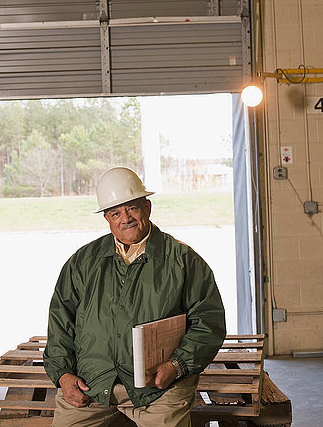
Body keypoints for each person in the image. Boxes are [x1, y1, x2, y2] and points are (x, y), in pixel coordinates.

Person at [44, 167, 226, 427]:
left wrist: (177, 366)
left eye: (132, 208)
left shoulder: (183, 260)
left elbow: (208, 322)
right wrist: (62, 375)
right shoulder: (83, 262)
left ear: (147, 207)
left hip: (159, 388)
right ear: (106, 217)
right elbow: (61, 321)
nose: (125, 218)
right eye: (115, 212)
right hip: (93, 384)